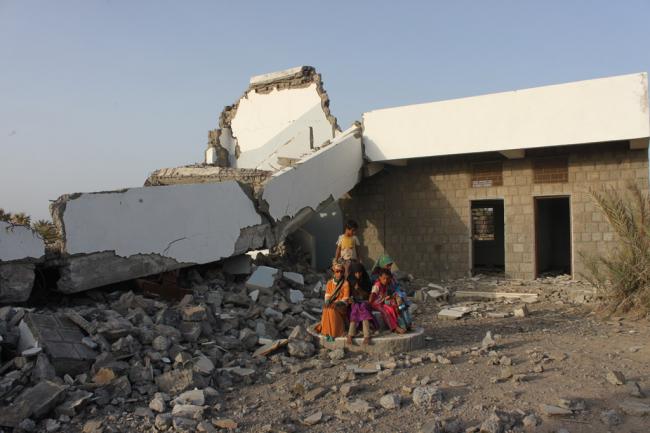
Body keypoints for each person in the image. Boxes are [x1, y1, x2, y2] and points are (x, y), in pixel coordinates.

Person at [315, 262, 350, 339]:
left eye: (341, 271)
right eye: (337, 271)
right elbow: (327, 296)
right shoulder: (329, 283)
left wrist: (336, 303)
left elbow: (345, 298)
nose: (339, 273)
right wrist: (327, 302)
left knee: (331, 309)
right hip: (332, 304)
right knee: (326, 308)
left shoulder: (345, 283)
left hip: (341, 305)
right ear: (334, 272)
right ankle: (327, 333)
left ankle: (336, 333)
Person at [346, 262, 376, 346]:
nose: (358, 275)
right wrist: (350, 299)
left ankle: (365, 336)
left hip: (365, 302)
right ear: (353, 272)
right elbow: (347, 294)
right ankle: (352, 335)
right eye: (356, 273)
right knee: (356, 308)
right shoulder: (350, 280)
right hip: (354, 303)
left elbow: (367, 295)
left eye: (360, 273)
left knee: (362, 309)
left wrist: (359, 288)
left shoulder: (366, 280)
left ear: (362, 272)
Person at [369, 268, 406, 334]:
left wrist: (391, 298)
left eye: (387, 279)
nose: (385, 280)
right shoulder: (377, 285)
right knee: (385, 312)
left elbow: (383, 297)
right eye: (384, 278)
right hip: (375, 304)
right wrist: (369, 304)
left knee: (392, 309)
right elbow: (372, 295)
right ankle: (394, 327)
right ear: (380, 277)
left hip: (381, 303)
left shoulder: (385, 285)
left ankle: (398, 324)